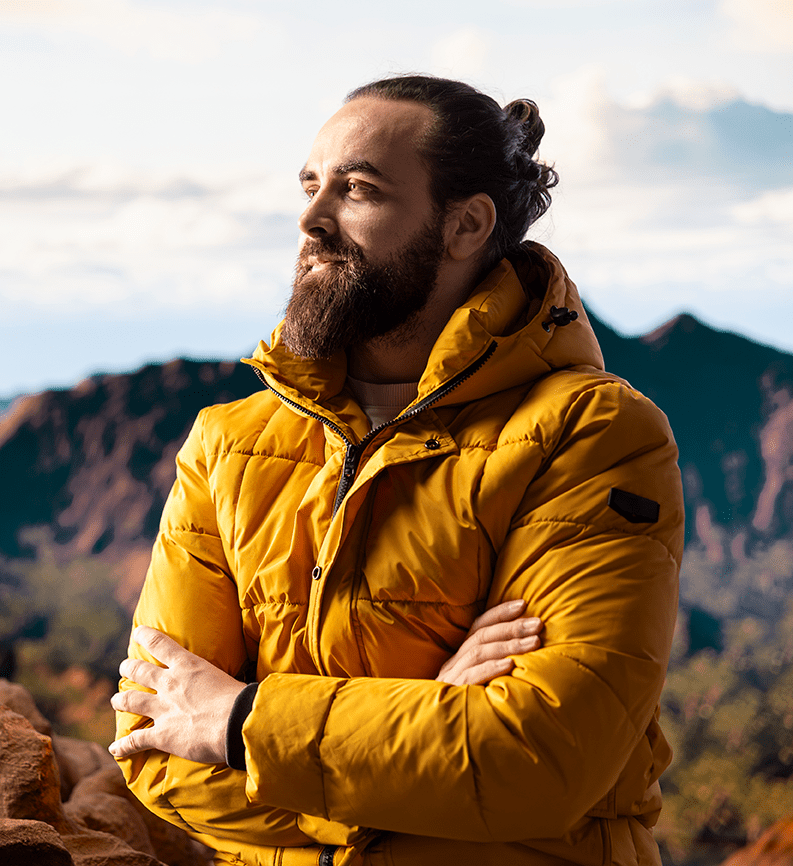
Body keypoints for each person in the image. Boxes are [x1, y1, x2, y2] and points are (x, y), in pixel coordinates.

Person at [110, 75, 684, 866]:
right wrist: (426, 723)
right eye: (311, 186)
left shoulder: (590, 433)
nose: (311, 219)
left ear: (465, 225)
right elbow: (153, 746)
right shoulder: (227, 442)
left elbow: (539, 761)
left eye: (358, 190)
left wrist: (242, 725)